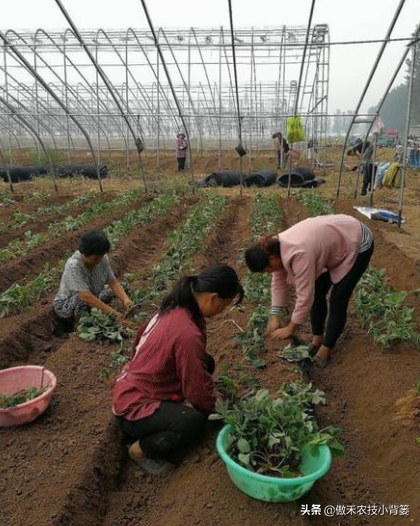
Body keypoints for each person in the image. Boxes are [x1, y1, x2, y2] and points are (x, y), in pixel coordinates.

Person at [112, 264, 244, 474]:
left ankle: (168, 411)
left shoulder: (177, 306)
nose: (222, 311)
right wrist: (224, 408)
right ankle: (140, 450)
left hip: (136, 385)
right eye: (225, 305)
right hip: (134, 406)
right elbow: (199, 395)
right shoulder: (186, 332)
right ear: (213, 298)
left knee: (205, 362)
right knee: (194, 422)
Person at [244, 214, 374, 368]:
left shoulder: (299, 254)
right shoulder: (274, 250)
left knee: (338, 298)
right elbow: (278, 284)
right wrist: (274, 318)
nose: (268, 272)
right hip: (333, 240)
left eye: (267, 269)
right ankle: (317, 340)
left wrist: (290, 328)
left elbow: (305, 297)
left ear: (271, 258)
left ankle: (326, 349)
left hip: (356, 240)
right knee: (319, 291)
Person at [53, 230, 133, 332]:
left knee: (123, 286)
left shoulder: (102, 259)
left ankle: (95, 312)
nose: (99, 259)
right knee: (81, 300)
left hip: (93, 295)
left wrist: (125, 299)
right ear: (85, 252)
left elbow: (113, 282)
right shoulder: (73, 265)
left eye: (101, 255)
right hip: (66, 308)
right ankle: (80, 329)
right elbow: (85, 296)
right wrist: (112, 313)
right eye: (96, 257)